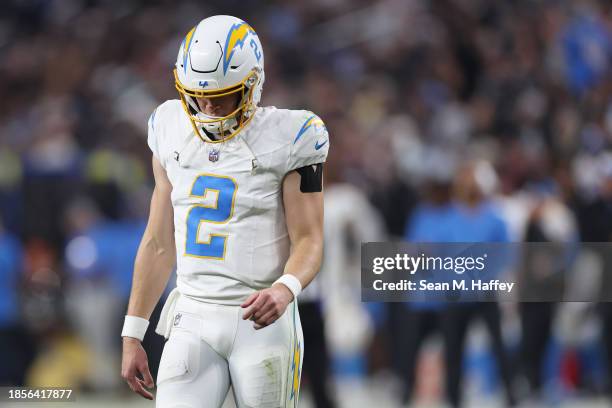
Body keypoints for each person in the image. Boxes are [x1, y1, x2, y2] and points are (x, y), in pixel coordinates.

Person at [120, 15, 329, 408]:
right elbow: (157, 242)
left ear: (252, 84)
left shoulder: (293, 135)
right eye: (198, 94)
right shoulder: (168, 126)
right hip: (192, 317)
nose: (209, 104)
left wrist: (285, 289)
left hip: (261, 320)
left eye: (223, 93)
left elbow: (310, 239)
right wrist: (133, 332)